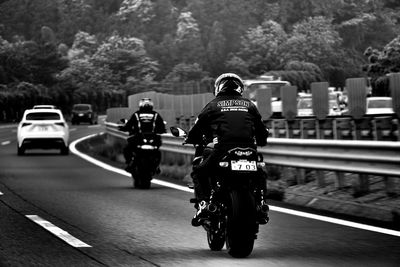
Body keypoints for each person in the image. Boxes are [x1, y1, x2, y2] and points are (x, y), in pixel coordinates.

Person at [185, 73, 269, 225]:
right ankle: (261, 204)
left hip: (222, 151)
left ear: (218, 88)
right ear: (240, 88)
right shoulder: (250, 105)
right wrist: (261, 140)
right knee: (260, 172)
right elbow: (262, 131)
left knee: (199, 171)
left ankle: (204, 204)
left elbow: (197, 128)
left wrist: (190, 139)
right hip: (249, 152)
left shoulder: (213, 105)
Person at [118, 98, 166, 172]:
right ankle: (156, 166)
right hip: (152, 138)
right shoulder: (155, 114)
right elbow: (162, 126)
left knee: (127, 149)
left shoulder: (136, 114)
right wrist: (162, 130)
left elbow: (129, 125)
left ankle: (130, 163)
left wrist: (123, 128)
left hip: (138, 137)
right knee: (157, 151)